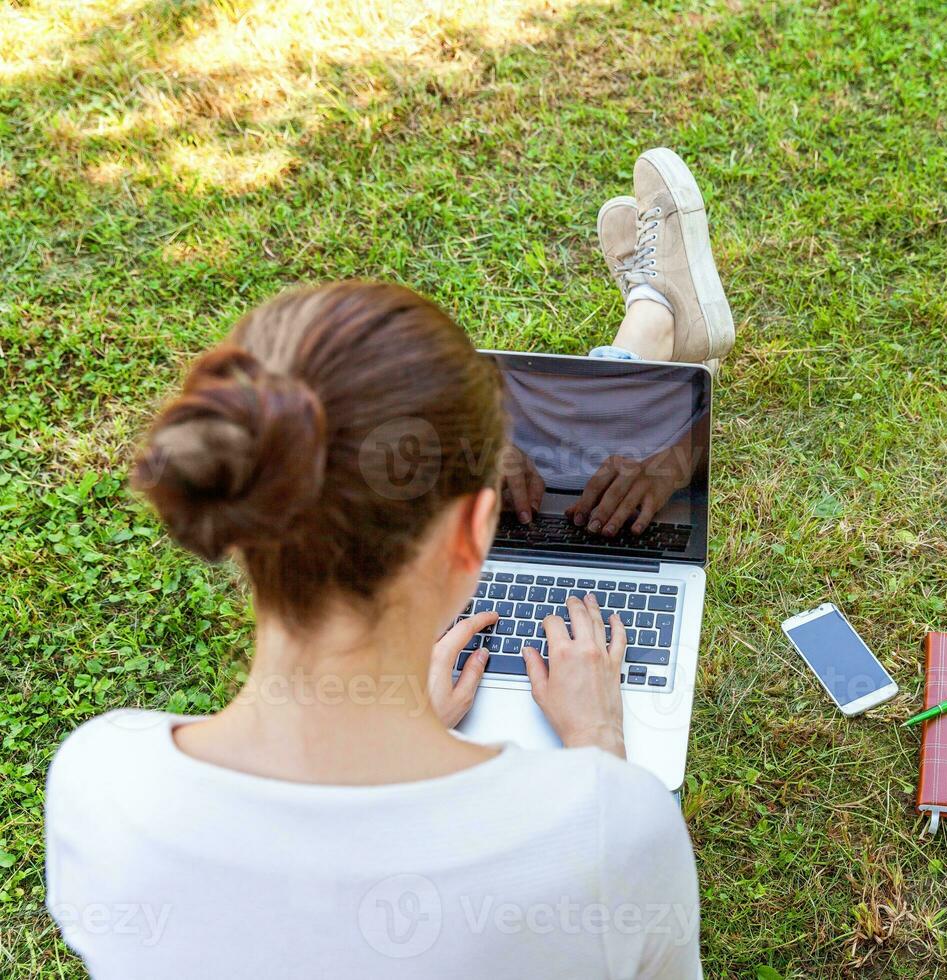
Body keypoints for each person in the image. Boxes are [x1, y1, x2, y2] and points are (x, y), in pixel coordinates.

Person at [44, 148, 734, 978]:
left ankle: (652, 323)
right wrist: (595, 743)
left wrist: (407, 734)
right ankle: (655, 322)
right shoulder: (608, 825)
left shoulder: (103, 782)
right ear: (474, 533)